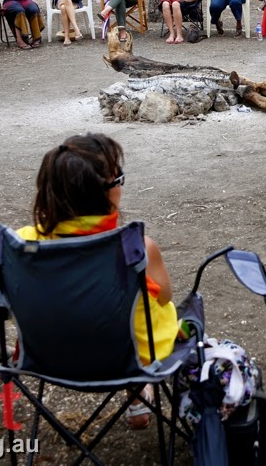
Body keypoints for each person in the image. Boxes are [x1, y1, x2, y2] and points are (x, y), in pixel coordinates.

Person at [16, 133, 175, 429]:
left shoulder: (22, 247)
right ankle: (138, 389)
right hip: (128, 359)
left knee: (101, 312)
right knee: (133, 316)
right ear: (109, 192)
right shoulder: (137, 249)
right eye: (119, 180)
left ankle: (137, 395)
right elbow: (164, 297)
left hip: (50, 359)